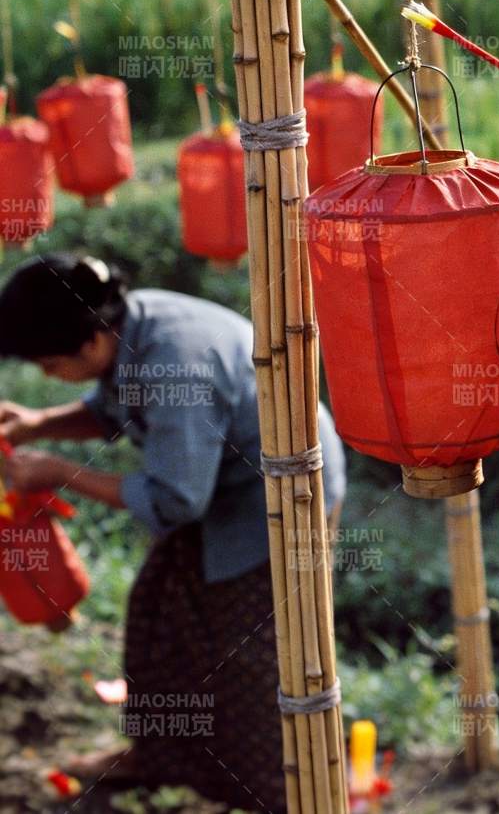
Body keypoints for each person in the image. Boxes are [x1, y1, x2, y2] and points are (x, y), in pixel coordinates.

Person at [0, 253, 347, 813]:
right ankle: (156, 755)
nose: (45, 378)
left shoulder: (175, 361)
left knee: (248, 658)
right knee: (159, 616)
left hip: (277, 500)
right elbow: (116, 409)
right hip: (215, 483)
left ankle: (272, 793)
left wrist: (63, 474)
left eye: (48, 365)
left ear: (88, 343)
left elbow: (176, 500)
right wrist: (41, 423)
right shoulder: (129, 323)